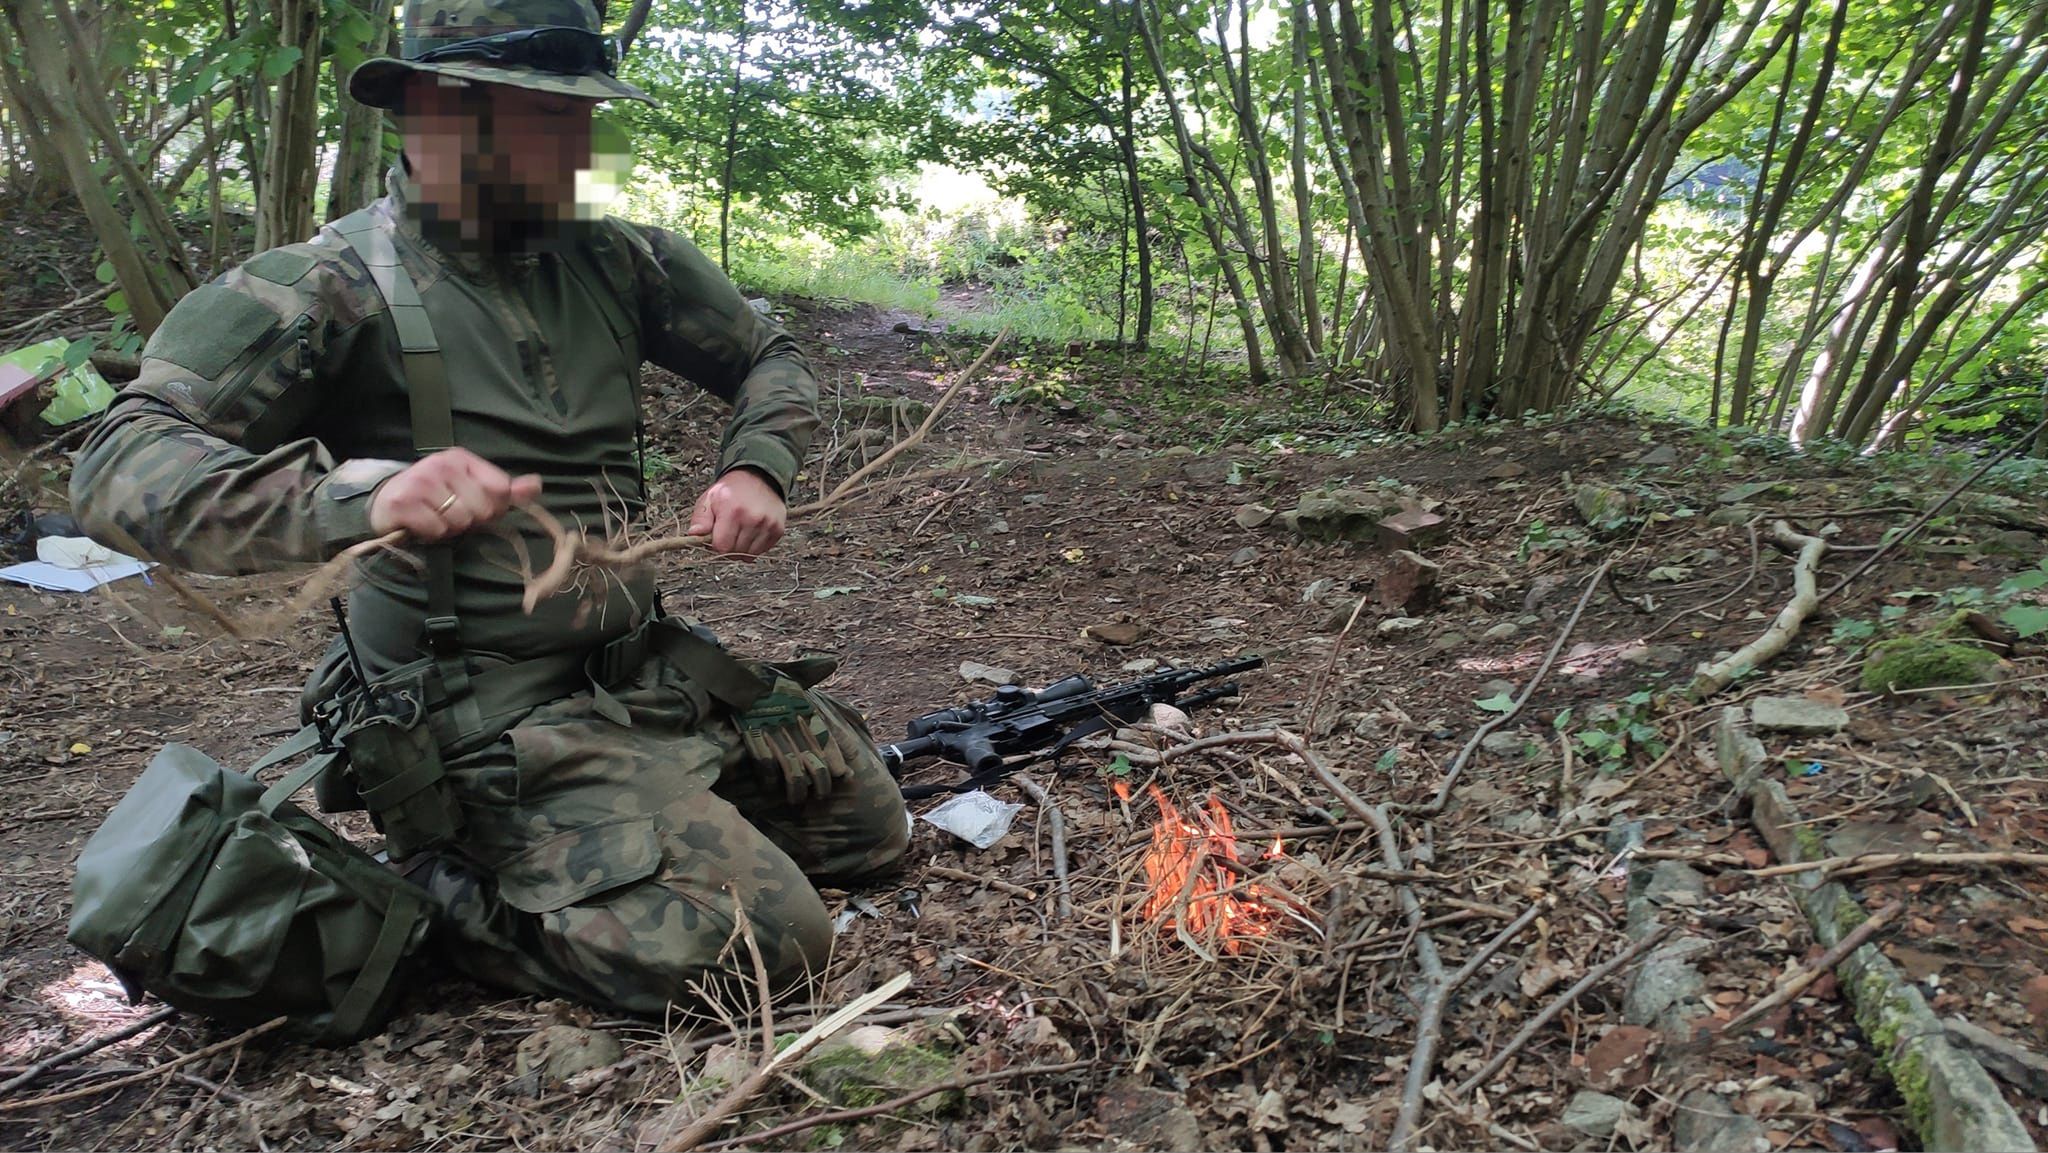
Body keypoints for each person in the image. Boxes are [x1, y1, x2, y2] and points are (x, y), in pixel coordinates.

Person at [69, 0, 909, 1015]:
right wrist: (358, 493)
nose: (583, 149)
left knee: (869, 830)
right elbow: (120, 459)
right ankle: (443, 894)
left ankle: (633, 823)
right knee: (760, 947)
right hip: (476, 716)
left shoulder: (616, 259)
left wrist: (757, 466)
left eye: (584, 119)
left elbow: (766, 354)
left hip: (634, 673)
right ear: (438, 113)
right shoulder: (326, 286)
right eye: (550, 120)